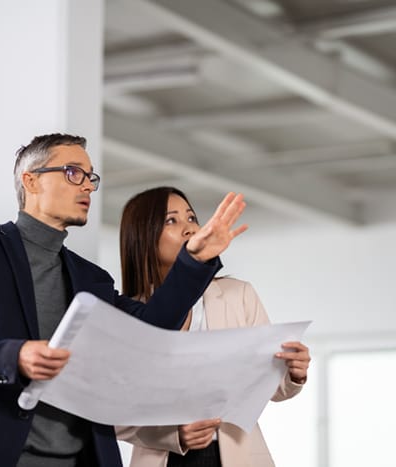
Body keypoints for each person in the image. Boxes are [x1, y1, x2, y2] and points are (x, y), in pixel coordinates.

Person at [0, 134, 248, 467]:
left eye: (91, 178)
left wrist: (195, 260)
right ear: (31, 181)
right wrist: (14, 356)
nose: (88, 187)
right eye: (73, 173)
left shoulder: (91, 278)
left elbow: (153, 328)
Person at [115, 186, 310, 467]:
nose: (189, 229)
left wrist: (293, 373)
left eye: (191, 218)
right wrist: (174, 434)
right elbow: (113, 416)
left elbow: (274, 389)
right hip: (166, 459)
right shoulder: (128, 315)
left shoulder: (238, 295)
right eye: (172, 220)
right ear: (142, 236)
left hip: (237, 454)